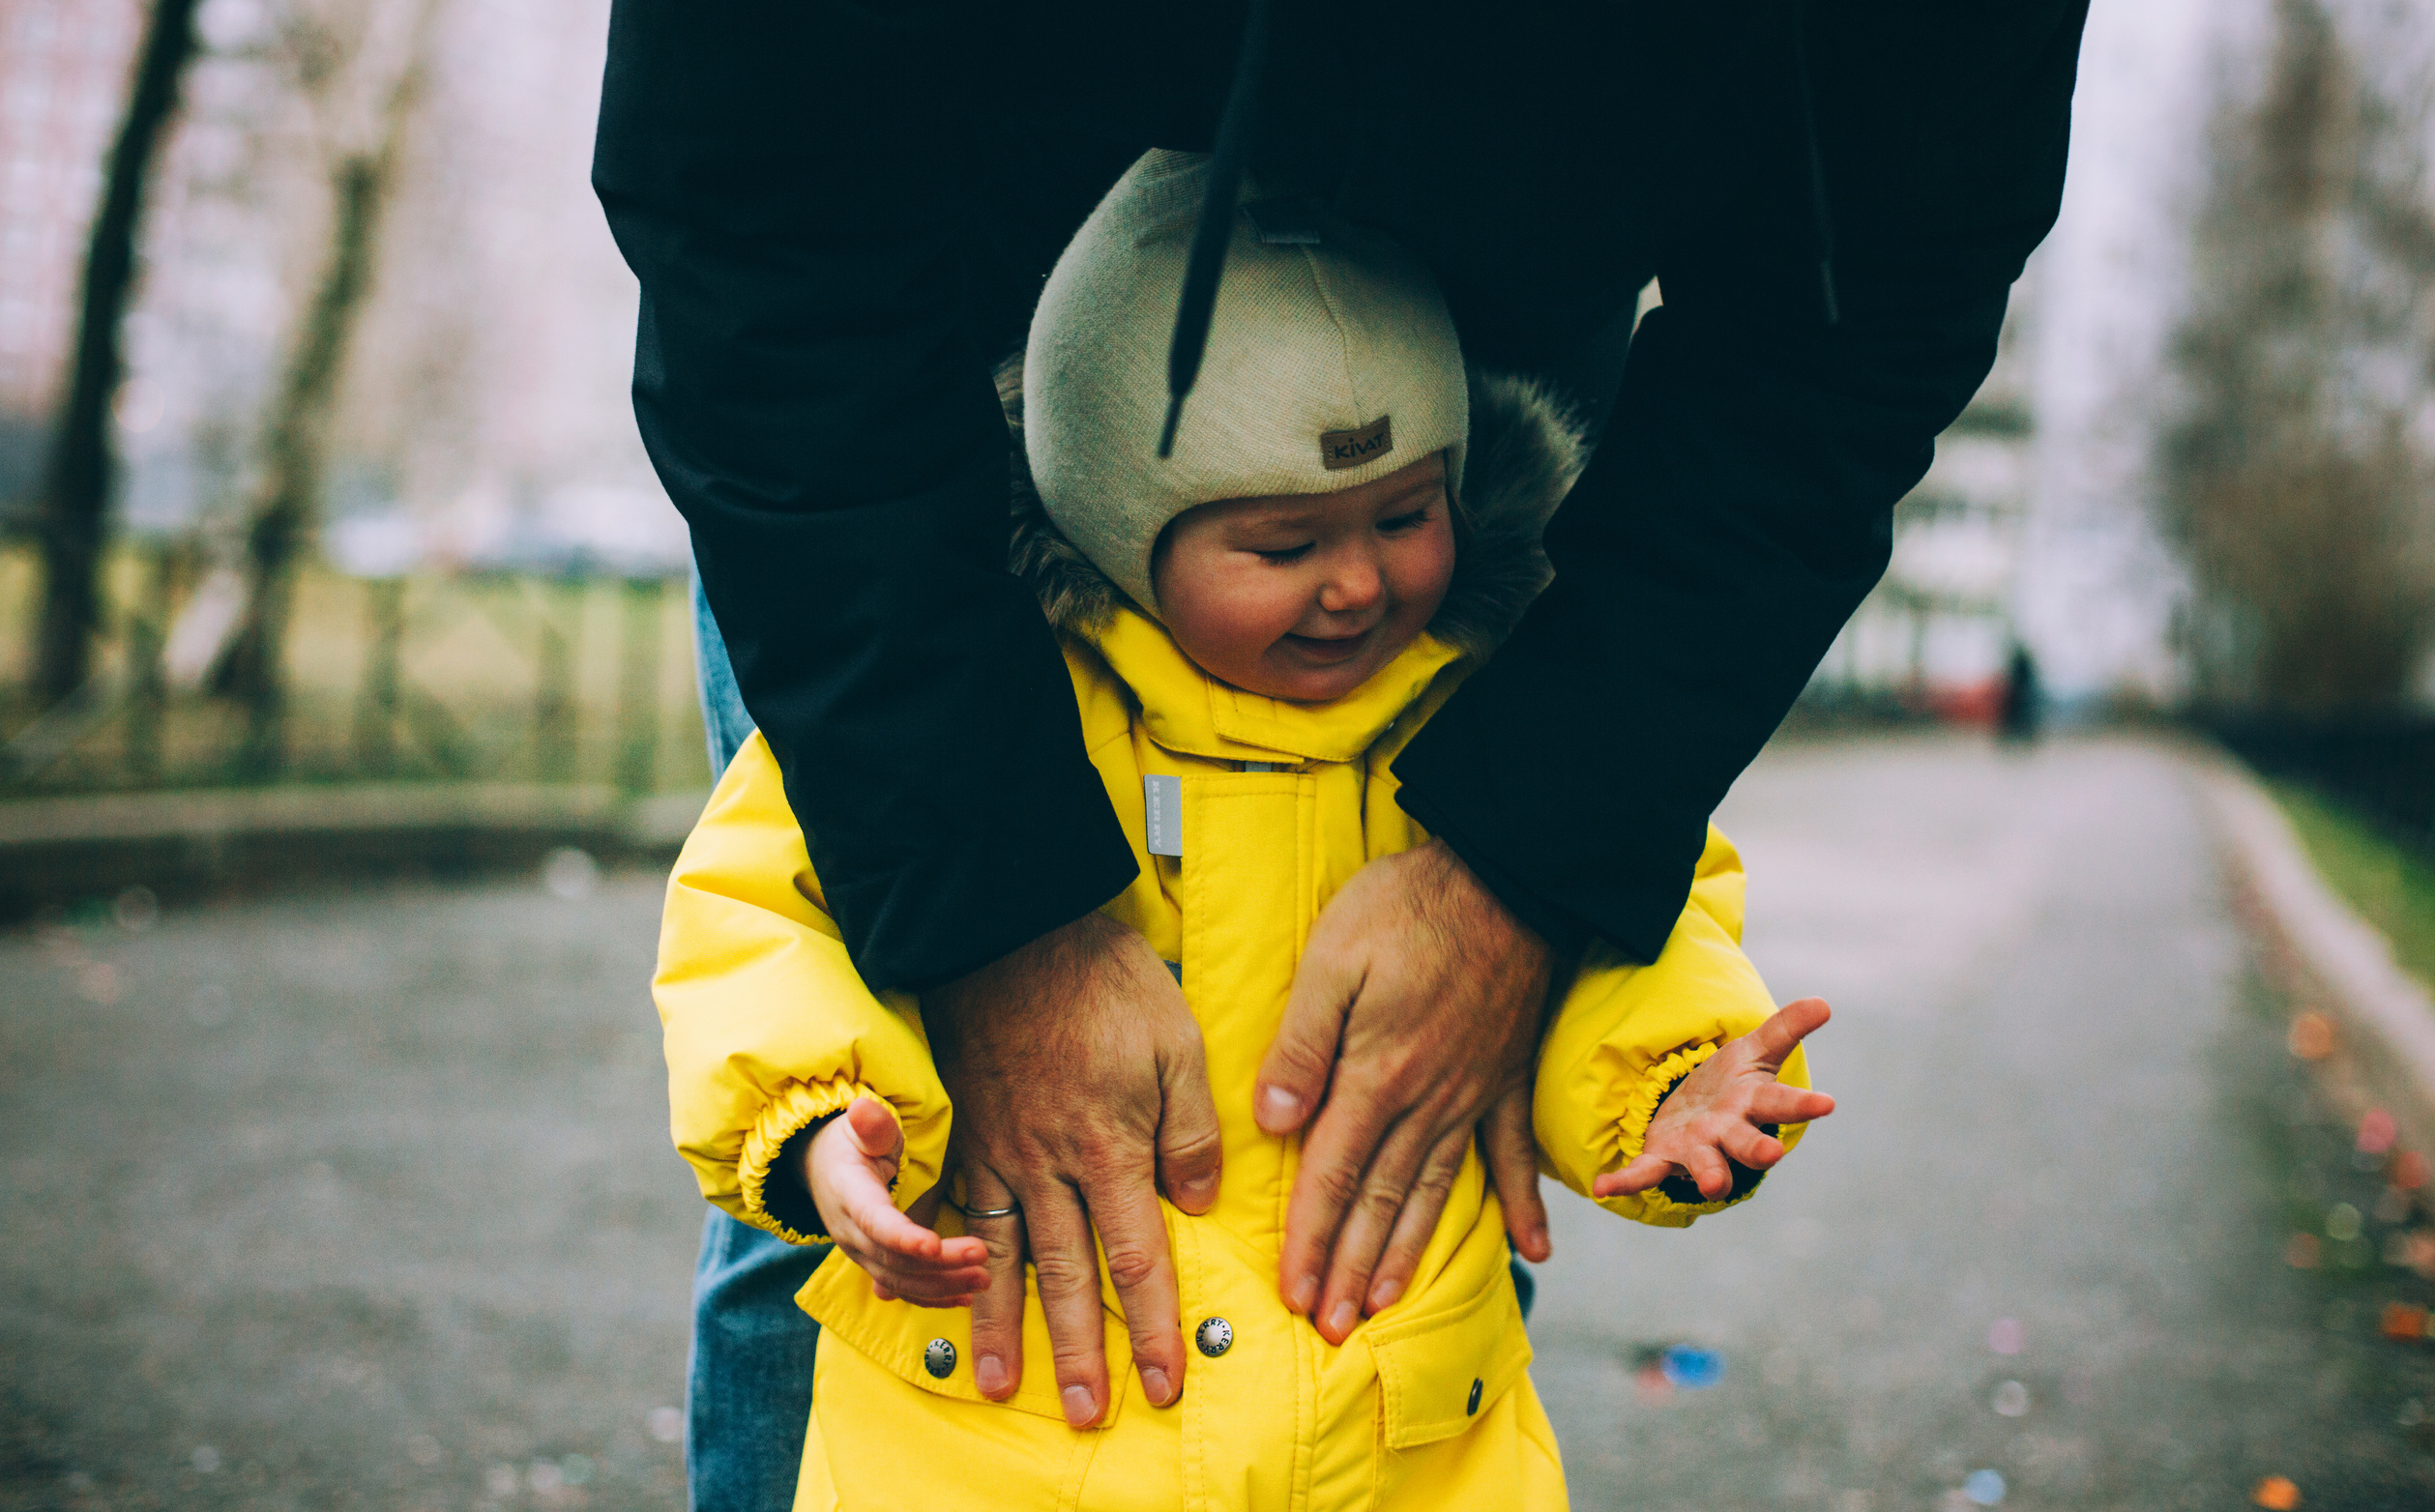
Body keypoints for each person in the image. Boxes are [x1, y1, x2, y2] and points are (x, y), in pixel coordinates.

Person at [593, 0, 2128, 1500]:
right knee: (848, 1233)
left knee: (1435, 1130)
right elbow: (767, 941)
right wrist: (936, 973)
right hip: (909, 409)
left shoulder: (1449, 671)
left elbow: (1858, 330)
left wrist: (1565, 928)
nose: (1617, 1)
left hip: (1474, 364)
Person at [656, 151, 1834, 1508]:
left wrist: (1671, 1083)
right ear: (1118, 527)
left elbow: (1616, 928)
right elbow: (764, 916)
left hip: (1390, 1447)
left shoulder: (1498, 725)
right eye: (1284, 546)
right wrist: (819, 1126)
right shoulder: (968, 721)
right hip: (1019, 1445)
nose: (1358, 583)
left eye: (1407, 515)